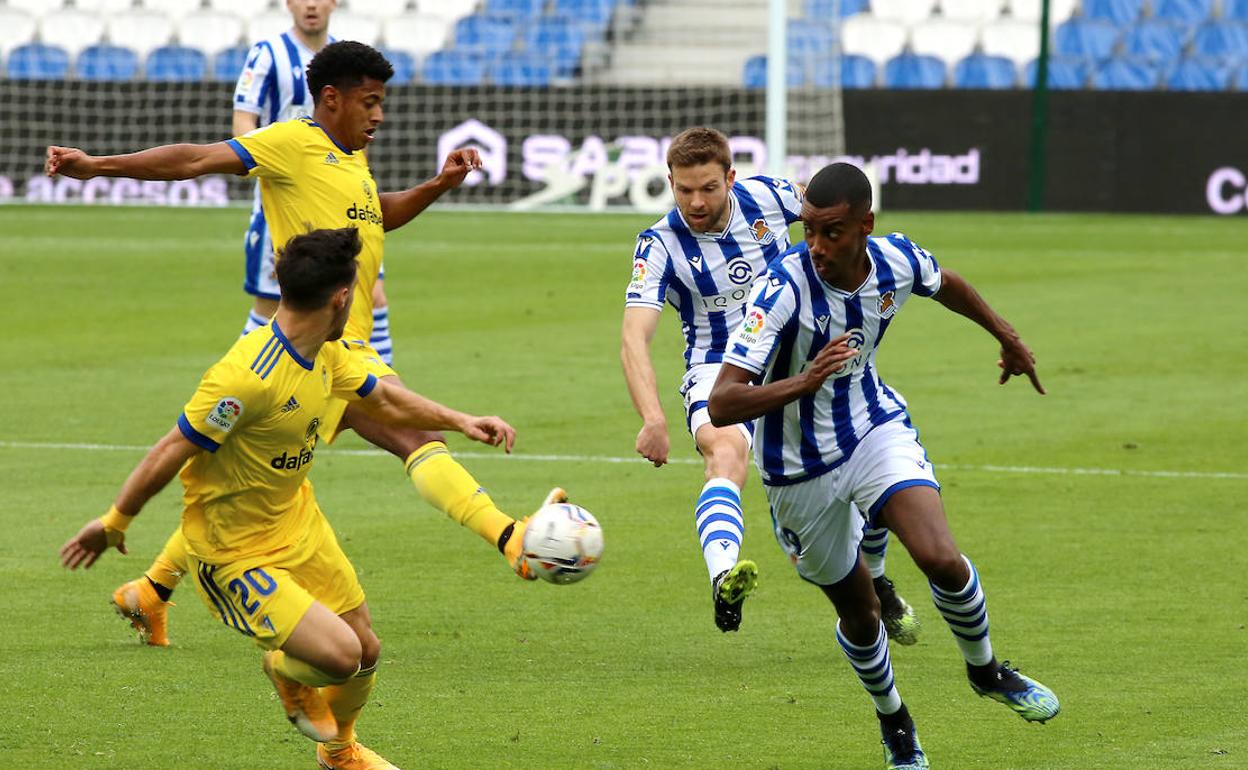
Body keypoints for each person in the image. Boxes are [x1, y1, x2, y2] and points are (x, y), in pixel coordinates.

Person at [46, 41, 558, 653]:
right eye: (369, 102)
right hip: (317, 347)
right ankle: (512, 541)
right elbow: (196, 159)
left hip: (337, 346)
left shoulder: (351, 159)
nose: (379, 116)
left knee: (254, 483)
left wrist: (438, 184)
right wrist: (98, 166)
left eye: (382, 103)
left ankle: (153, 590)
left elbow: (377, 217)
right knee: (414, 437)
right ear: (332, 98)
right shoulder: (291, 143)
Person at [61, 227, 515, 770]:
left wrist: (461, 420)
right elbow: (172, 448)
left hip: (297, 524)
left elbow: (386, 400)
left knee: (365, 648)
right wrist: (113, 521)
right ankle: (283, 670)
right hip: (232, 553)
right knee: (340, 656)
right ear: (342, 297)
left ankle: (339, 752)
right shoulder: (245, 377)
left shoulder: (328, 351)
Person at [708, 162, 1059, 769]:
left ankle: (987, 671)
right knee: (861, 611)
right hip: (797, 469)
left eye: (833, 232)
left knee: (940, 557)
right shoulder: (782, 288)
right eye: (811, 230)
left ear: (866, 224)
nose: (817, 245)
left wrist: (1006, 335)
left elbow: (945, 282)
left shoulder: (895, 259)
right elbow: (723, 399)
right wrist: (805, 379)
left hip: (873, 427)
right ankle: (894, 718)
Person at [620, 128, 917, 638]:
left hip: (800, 356)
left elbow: (836, 226)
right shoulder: (658, 245)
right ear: (669, 181)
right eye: (684, 189)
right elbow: (634, 335)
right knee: (724, 451)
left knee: (865, 454)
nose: (695, 201)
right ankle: (724, 578)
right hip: (718, 365)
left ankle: (879, 580)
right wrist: (652, 417)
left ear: (731, 178)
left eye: (709, 188)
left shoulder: (772, 197)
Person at [233, 0, 393, 364]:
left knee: (371, 294)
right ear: (288, 3)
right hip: (287, 205)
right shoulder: (268, 54)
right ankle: (238, 386)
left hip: (343, 204)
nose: (311, 4)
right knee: (274, 307)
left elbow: (356, 144)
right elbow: (244, 122)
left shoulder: (349, 61)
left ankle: (378, 386)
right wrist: (272, 166)